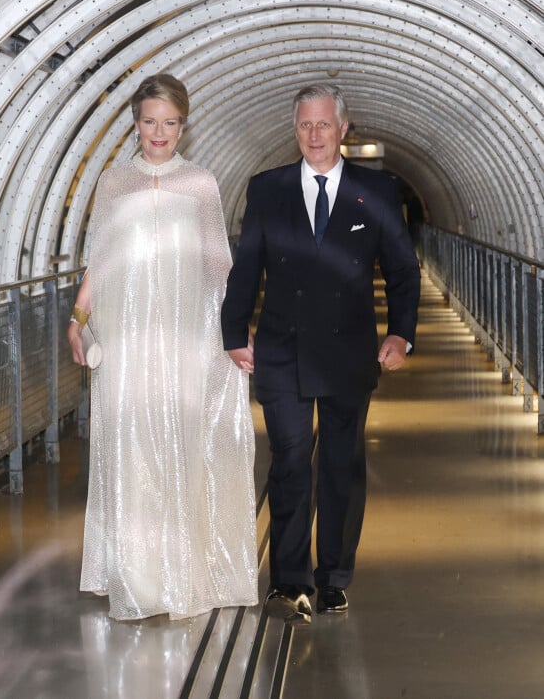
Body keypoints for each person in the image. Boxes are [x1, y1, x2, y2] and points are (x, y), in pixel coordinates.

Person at [221, 83, 420, 625]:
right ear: (295, 130)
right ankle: (289, 582)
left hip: (350, 350)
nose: (314, 134)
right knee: (289, 463)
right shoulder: (267, 188)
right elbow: (247, 267)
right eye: (305, 125)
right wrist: (234, 332)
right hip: (282, 349)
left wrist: (402, 333)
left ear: (343, 129)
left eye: (324, 124)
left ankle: (333, 577)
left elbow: (402, 270)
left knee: (340, 465)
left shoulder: (377, 191)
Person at [67, 73, 258, 621]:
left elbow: (219, 266)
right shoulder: (113, 184)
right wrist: (78, 320)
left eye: (170, 123)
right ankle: (136, 575)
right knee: (129, 445)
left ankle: (179, 573)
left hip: (182, 341)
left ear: (183, 125)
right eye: (150, 122)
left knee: (180, 442)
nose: (160, 133)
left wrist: (234, 334)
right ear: (135, 122)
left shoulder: (199, 183)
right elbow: (99, 263)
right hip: (125, 341)